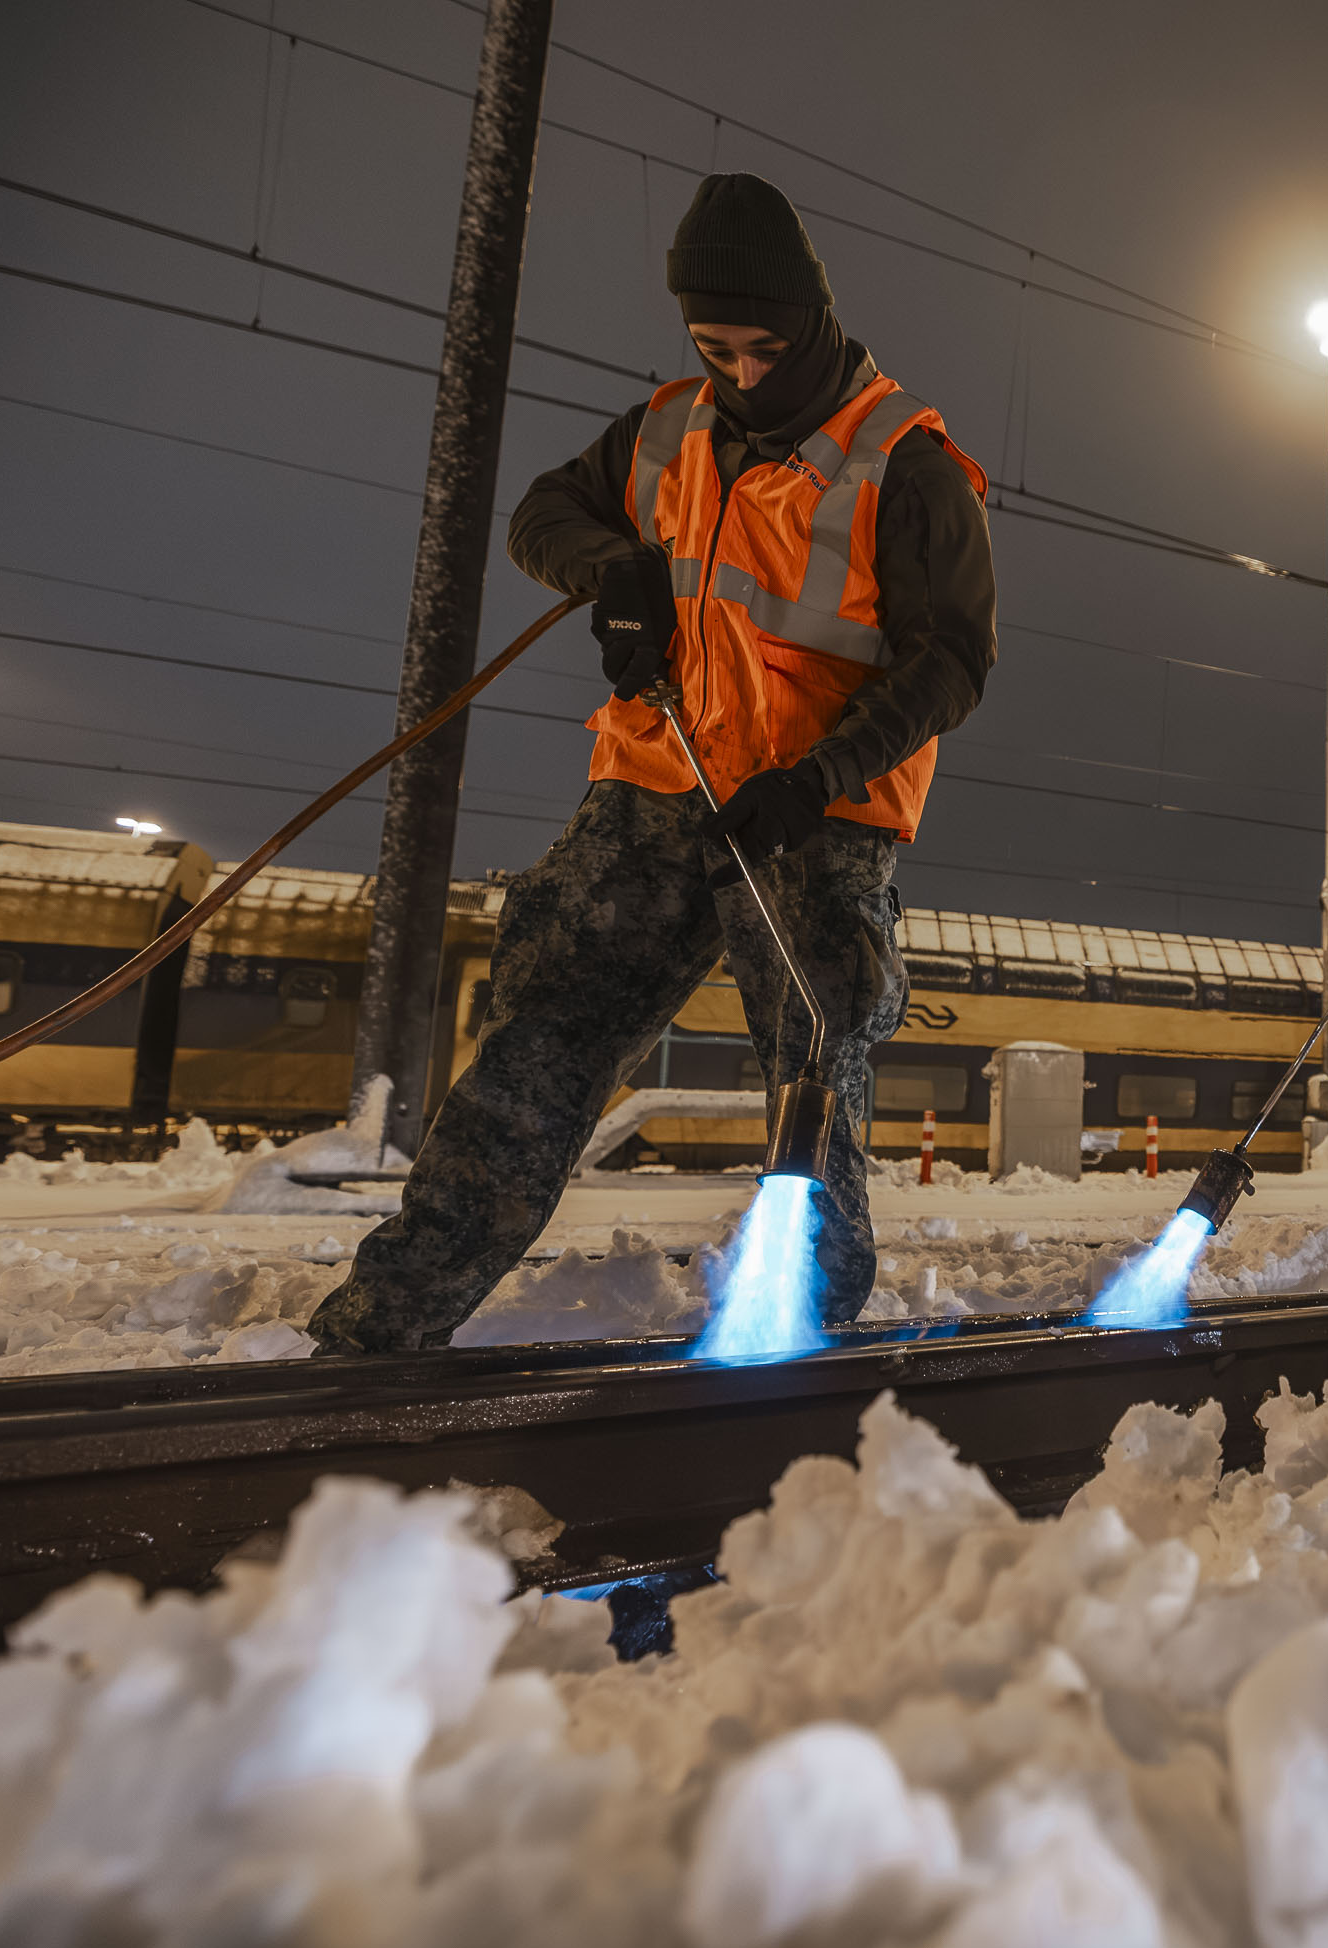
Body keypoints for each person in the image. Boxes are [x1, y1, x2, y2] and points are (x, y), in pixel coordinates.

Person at [309, 173, 997, 1352]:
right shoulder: (666, 429)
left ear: (816, 321)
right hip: (654, 785)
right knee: (540, 1039)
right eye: (716, 348)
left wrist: (820, 777)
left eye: (766, 348)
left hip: (809, 815)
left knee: (811, 1072)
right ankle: (385, 1323)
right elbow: (545, 515)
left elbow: (952, 663)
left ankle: (797, 1328)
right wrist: (613, 571)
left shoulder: (906, 462)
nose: (743, 372)